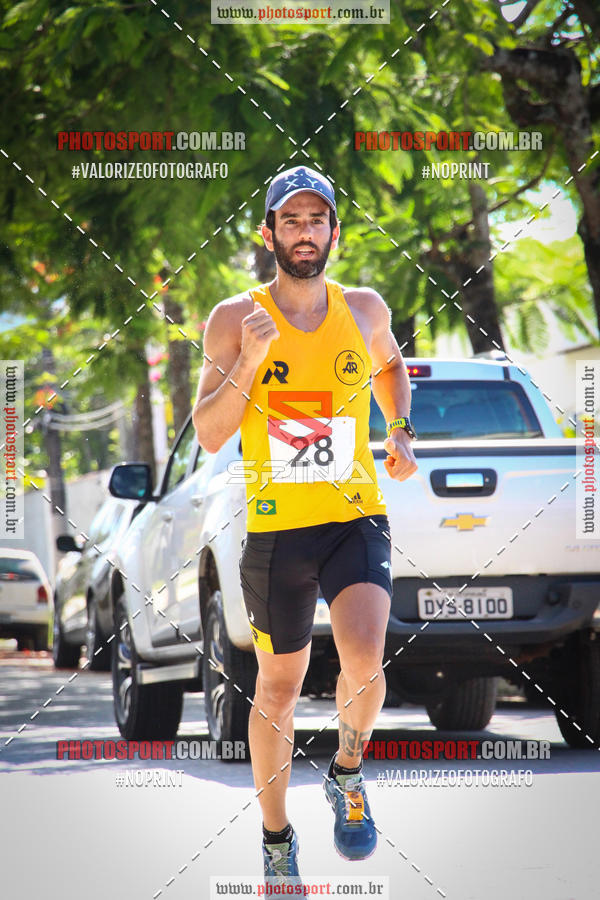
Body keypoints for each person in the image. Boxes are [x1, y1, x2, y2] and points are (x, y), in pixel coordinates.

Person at [192, 165, 418, 882]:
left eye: (316, 220)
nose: (304, 233)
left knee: (364, 657)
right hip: (276, 530)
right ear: (269, 234)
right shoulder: (235, 318)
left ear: (334, 233)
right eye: (290, 222)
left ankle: (347, 770)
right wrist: (251, 363)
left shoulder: (366, 308)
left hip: (355, 516)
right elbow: (206, 432)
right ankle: (276, 840)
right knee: (279, 687)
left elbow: (390, 368)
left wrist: (401, 430)